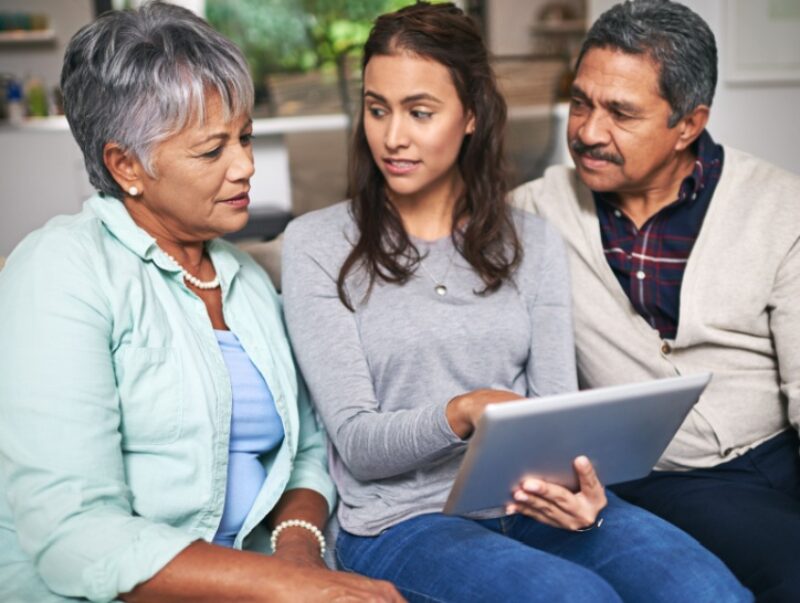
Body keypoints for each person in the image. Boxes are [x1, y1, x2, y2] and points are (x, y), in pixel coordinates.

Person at [281, 3, 750, 602]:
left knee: (710, 593)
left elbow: (555, 414)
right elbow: (359, 446)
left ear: (471, 115)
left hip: (531, 501)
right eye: (377, 109)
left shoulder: (532, 241)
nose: (392, 136)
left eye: (420, 112)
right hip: (401, 521)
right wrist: (465, 410)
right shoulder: (318, 244)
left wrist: (581, 487)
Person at [0, 3, 403, 602]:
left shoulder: (243, 278)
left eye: (245, 137)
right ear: (126, 165)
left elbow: (309, 450)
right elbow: (73, 534)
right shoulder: (61, 270)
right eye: (213, 151)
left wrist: (298, 554)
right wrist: (290, 587)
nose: (245, 166)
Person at [511, 0, 800, 600]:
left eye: (621, 113)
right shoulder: (535, 211)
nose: (589, 131)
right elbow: (420, 236)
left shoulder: (780, 207)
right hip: (672, 476)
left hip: (780, 454)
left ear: (688, 124)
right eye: (582, 101)